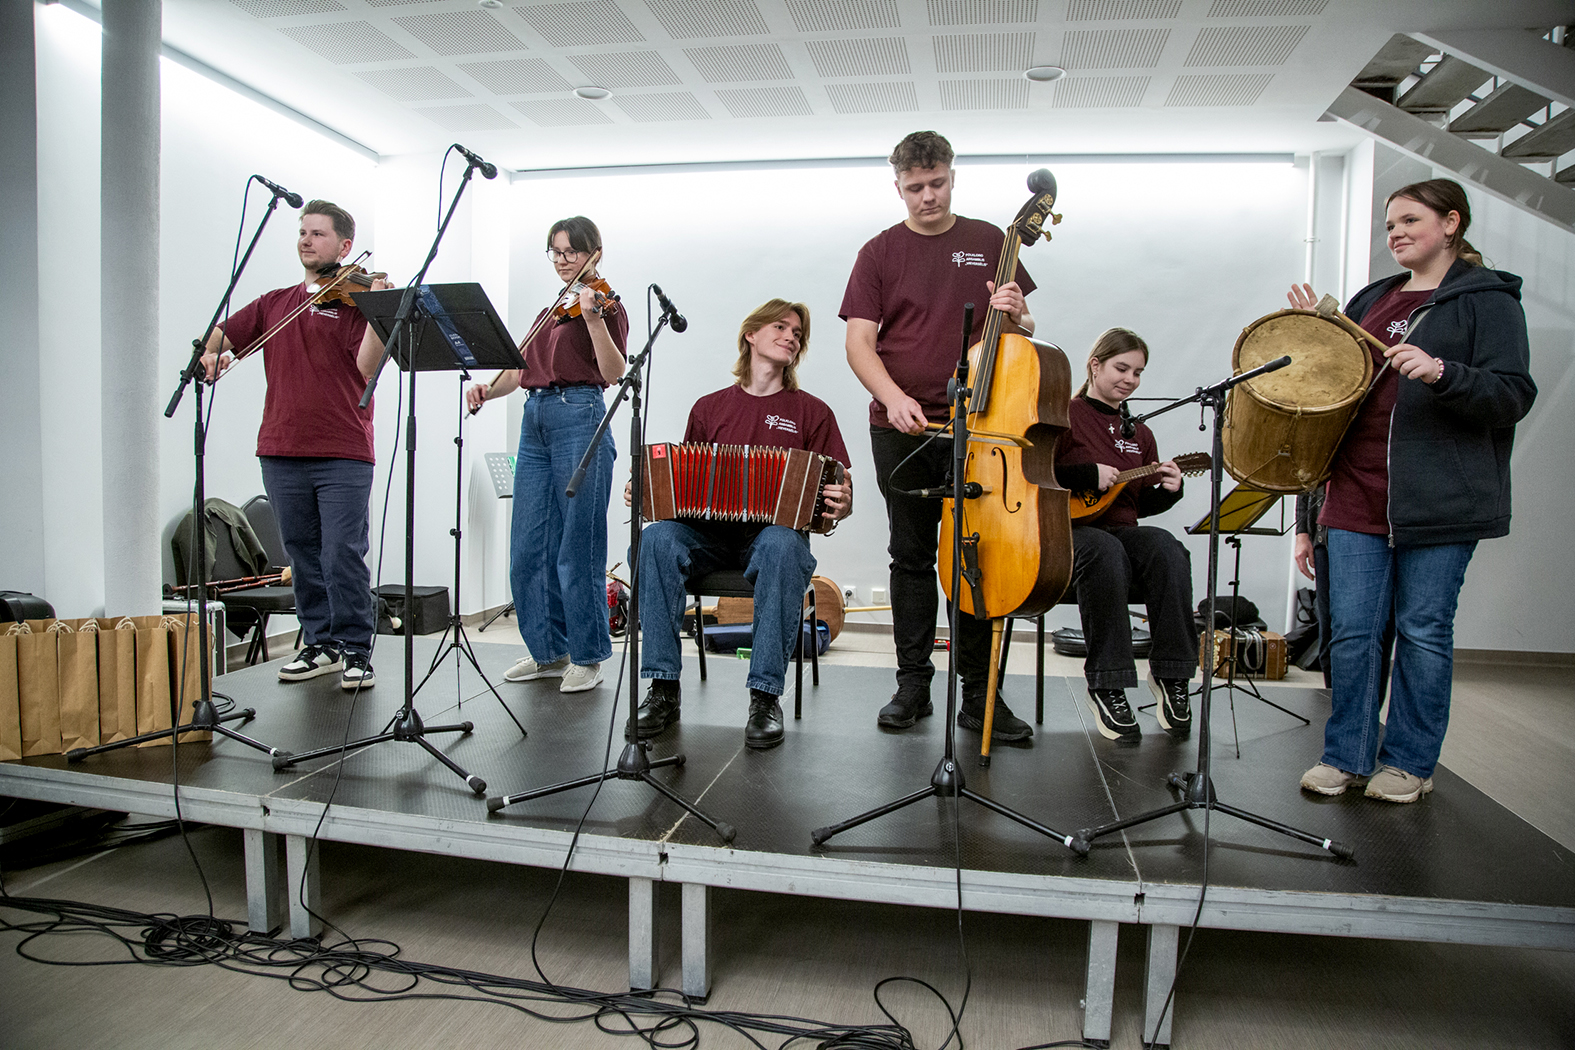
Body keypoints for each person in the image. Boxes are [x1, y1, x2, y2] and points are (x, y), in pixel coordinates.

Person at [1291, 178, 1535, 803]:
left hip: (1440, 501)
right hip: (1353, 493)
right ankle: (1346, 756)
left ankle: (1409, 764)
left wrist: (1442, 372)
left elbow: (1512, 394)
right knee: (1351, 633)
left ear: (1451, 223)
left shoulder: (1488, 300)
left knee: (1423, 632)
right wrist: (1306, 518)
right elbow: (1328, 405)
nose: (1395, 233)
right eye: (1390, 224)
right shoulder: (1371, 299)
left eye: (1409, 221)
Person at [841, 130, 1037, 742]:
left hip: (980, 427)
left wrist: (1021, 314)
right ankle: (913, 685)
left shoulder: (992, 241)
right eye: (915, 187)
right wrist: (892, 397)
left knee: (975, 556)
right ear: (897, 187)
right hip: (902, 427)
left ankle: (979, 695)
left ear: (953, 177)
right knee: (912, 556)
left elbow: (1021, 333)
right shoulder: (878, 252)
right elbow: (859, 342)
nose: (928, 196)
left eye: (937, 183)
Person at [630, 300, 852, 750]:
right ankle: (663, 689)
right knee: (655, 538)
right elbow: (683, 483)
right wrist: (650, 490)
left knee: (783, 546)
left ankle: (765, 697)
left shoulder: (812, 412)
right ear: (751, 334)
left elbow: (839, 487)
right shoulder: (709, 408)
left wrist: (843, 503)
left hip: (771, 537)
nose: (791, 337)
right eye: (780, 327)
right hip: (708, 535)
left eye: (798, 334)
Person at [202, 200, 389, 690]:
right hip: (281, 447)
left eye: (318, 234)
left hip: (343, 449)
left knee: (342, 553)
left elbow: (368, 366)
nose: (306, 240)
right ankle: (319, 643)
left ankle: (355, 648)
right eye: (303, 232)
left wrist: (379, 313)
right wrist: (212, 355)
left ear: (345, 246)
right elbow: (220, 337)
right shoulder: (274, 303)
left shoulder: (355, 304)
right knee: (302, 555)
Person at [467, 217, 628, 694]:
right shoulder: (551, 310)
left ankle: (588, 656)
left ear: (595, 252)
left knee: (577, 546)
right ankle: (549, 652)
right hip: (534, 418)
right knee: (528, 548)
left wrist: (594, 319)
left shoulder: (606, 306)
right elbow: (520, 371)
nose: (561, 260)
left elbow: (614, 371)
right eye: (555, 252)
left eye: (571, 251)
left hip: (580, 414)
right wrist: (486, 390)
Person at [1055, 329, 1197, 742]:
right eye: (1122, 368)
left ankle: (1172, 675)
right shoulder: (1063, 415)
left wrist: (1169, 491)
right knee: (1104, 549)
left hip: (1119, 533)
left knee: (1167, 547)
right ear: (1095, 365)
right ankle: (1108, 683)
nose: (1130, 379)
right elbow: (1033, 473)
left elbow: (1136, 504)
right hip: (1068, 533)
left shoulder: (1141, 434)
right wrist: (1085, 474)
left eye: (1138, 372)